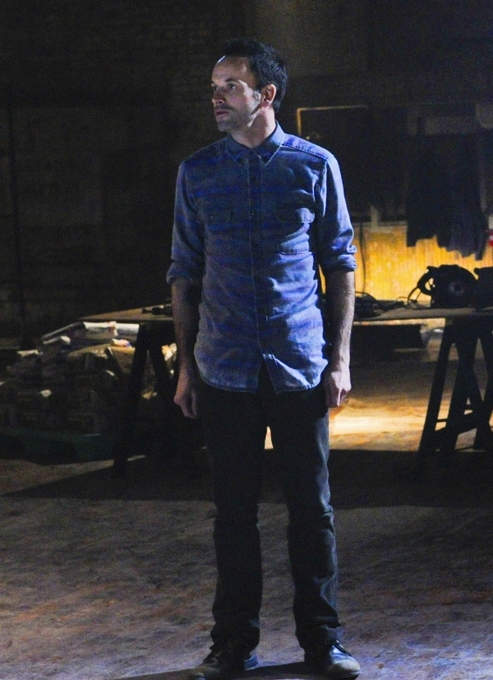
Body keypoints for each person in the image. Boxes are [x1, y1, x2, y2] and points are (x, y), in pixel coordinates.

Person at [167, 37, 359, 680]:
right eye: (213, 87)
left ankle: (323, 642)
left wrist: (340, 359)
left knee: (312, 511)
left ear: (266, 94)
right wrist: (187, 368)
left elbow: (340, 264)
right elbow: (184, 272)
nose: (216, 97)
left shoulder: (314, 166)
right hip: (225, 366)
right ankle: (232, 644)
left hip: (298, 363)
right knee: (234, 516)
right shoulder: (197, 172)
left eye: (230, 86)